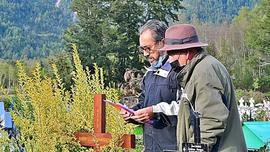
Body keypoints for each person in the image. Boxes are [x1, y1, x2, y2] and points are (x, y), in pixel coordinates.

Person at [131, 24, 247, 152]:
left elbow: (211, 120)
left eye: (172, 53)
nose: (169, 59)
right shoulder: (199, 69)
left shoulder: (204, 72)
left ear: (187, 52)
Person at [120, 19, 181, 152]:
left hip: (173, 146)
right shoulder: (149, 74)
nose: (146, 54)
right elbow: (143, 103)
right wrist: (132, 113)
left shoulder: (178, 72)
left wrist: (156, 113)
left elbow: (186, 108)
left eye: (148, 48)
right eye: (143, 49)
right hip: (151, 146)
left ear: (163, 43)